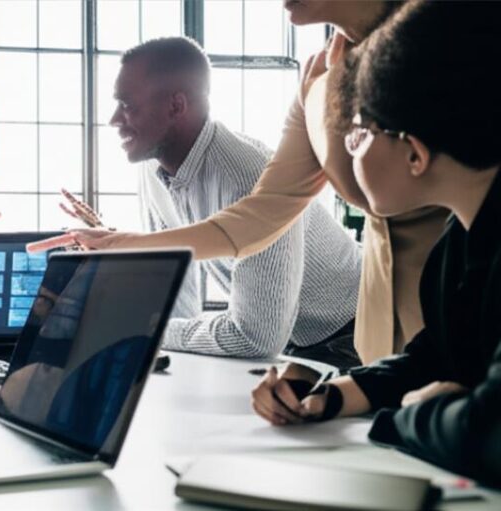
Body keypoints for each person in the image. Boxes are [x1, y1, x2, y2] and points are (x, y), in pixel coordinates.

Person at [43, 0, 448, 369]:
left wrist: (141, 320)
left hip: (449, 289)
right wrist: (121, 245)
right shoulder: (317, 80)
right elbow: (257, 217)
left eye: (127, 106)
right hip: (373, 324)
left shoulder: (444, 37)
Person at [252, 0, 501, 486]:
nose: (350, 146)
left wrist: (409, 417)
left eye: (360, 132)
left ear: (415, 153)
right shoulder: (461, 240)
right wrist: (332, 394)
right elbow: (438, 358)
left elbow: (488, 429)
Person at [83, 36, 362, 368]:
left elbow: (255, 337)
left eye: (127, 105)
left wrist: (147, 330)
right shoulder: (151, 165)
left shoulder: (244, 176)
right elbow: (177, 293)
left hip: (349, 338)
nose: (114, 119)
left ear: (175, 106)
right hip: (286, 342)